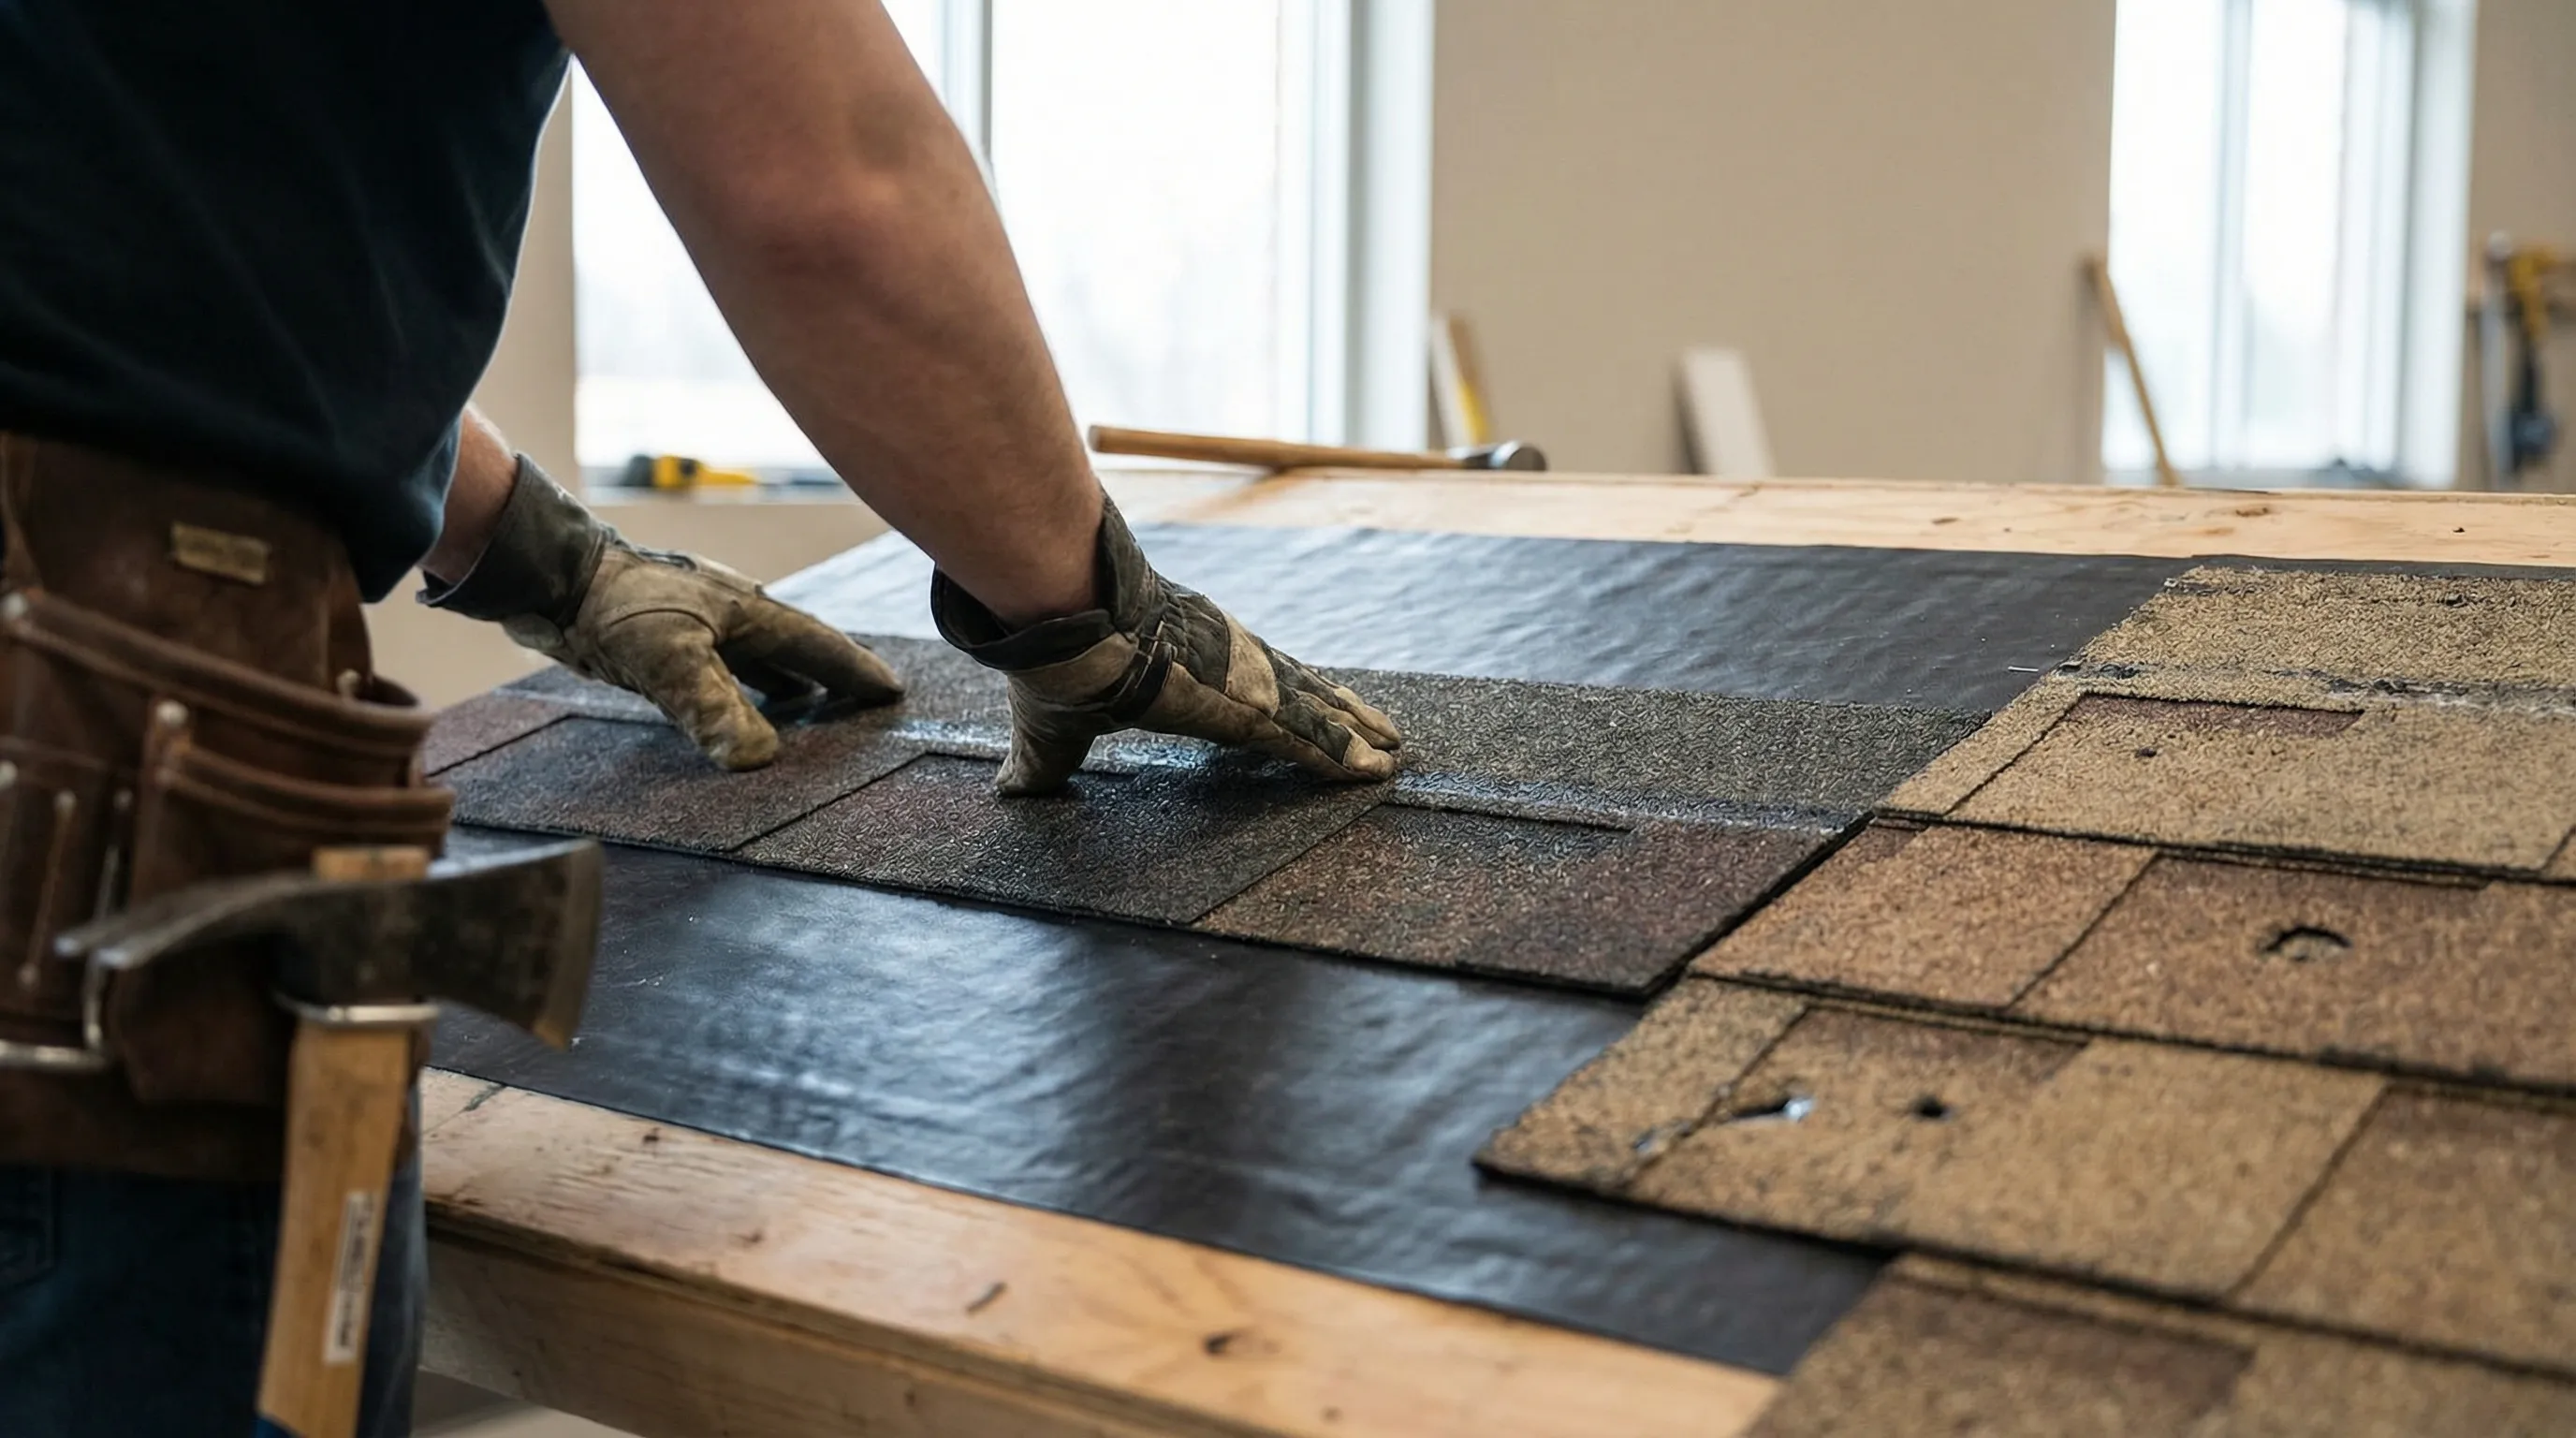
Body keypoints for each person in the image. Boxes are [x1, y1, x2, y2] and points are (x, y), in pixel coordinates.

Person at [0, 2, 1400, 1432]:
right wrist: (1090, 610)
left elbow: (146, 280)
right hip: (73, 764)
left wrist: (560, 561)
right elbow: (829, 186)